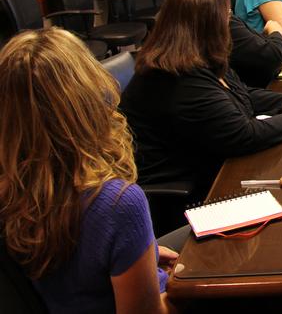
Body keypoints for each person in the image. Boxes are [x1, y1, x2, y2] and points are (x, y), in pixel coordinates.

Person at [0, 28, 173, 313]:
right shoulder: (117, 204)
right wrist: (187, 288)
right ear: (89, 97)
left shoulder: (13, 195)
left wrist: (144, 253)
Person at [121, 0, 282, 199]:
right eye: (226, 15)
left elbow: (241, 94)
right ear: (210, 25)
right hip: (189, 188)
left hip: (211, 161)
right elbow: (243, 135)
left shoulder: (197, 56)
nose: (230, 21)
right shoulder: (177, 77)